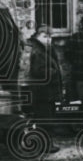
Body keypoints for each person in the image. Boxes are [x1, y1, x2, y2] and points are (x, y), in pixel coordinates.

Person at [27, 25, 63, 153]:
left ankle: (44, 143)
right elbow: (38, 71)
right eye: (44, 36)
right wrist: (53, 71)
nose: (48, 39)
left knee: (47, 118)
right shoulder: (38, 51)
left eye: (50, 37)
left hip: (47, 92)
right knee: (45, 119)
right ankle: (45, 145)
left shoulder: (46, 49)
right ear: (37, 36)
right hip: (42, 92)